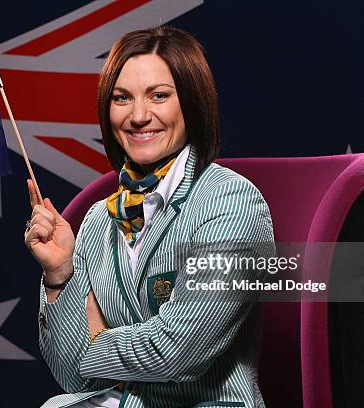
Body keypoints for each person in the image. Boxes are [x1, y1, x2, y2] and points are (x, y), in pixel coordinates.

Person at [24, 26, 275, 408]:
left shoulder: (232, 202)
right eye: (122, 98)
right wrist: (59, 277)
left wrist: (91, 341)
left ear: (191, 103)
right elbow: (72, 375)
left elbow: (177, 350)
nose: (139, 116)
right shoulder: (96, 219)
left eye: (159, 96)